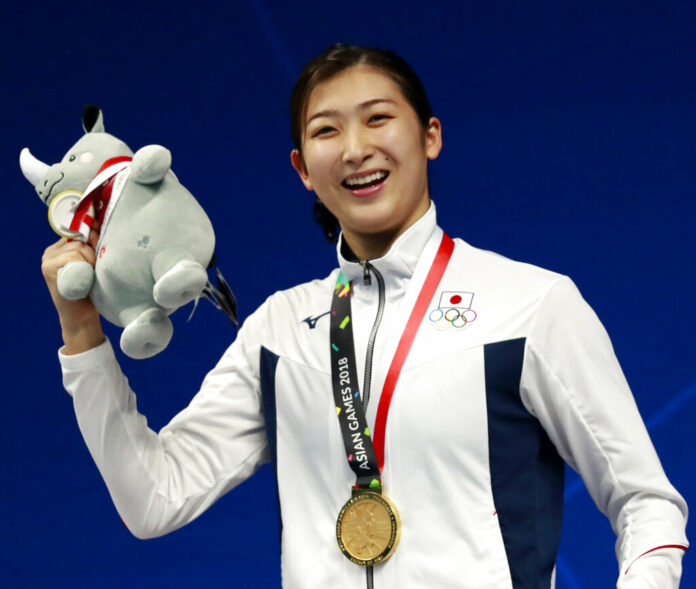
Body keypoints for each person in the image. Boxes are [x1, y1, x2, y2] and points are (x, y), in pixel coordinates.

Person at [42, 44, 688, 588]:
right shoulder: (279, 328)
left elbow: (645, 501)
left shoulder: (529, 304)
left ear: (430, 136)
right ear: (301, 168)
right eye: (326, 130)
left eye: (378, 119)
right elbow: (154, 498)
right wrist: (82, 334)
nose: (354, 148)